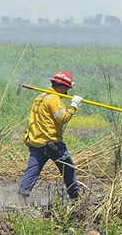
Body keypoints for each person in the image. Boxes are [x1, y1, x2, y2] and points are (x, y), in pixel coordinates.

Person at [18, 71, 83, 200]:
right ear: (63, 87)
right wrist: (74, 106)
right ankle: (75, 198)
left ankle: (21, 196)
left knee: (32, 170)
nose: (66, 93)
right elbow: (62, 118)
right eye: (67, 89)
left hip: (36, 142)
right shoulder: (53, 99)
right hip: (51, 144)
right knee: (68, 168)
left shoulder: (40, 97)